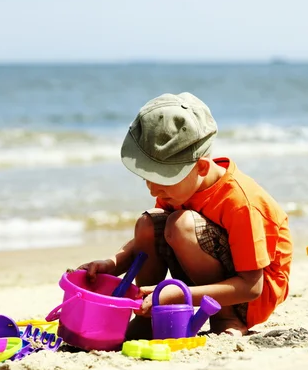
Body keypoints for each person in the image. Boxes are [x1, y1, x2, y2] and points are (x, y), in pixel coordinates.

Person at [78, 92, 292, 338]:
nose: (152, 188)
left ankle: (226, 318)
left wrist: (178, 294)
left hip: (247, 296)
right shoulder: (179, 189)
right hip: (204, 281)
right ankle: (148, 317)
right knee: (149, 222)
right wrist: (113, 264)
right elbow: (147, 238)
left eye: (162, 179)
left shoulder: (241, 202)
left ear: (201, 166)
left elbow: (252, 287)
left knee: (181, 225)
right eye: (147, 176)